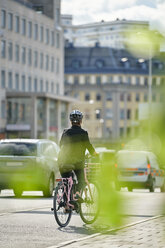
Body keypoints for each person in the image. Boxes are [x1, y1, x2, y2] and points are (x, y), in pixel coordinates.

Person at [58, 109, 97, 198]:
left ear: (71, 121)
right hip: (78, 162)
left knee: (66, 182)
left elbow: (61, 145)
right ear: (81, 121)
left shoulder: (65, 132)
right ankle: (77, 194)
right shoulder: (83, 133)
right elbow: (89, 147)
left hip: (63, 161)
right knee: (81, 180)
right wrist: (96, 154)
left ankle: (66, 205)